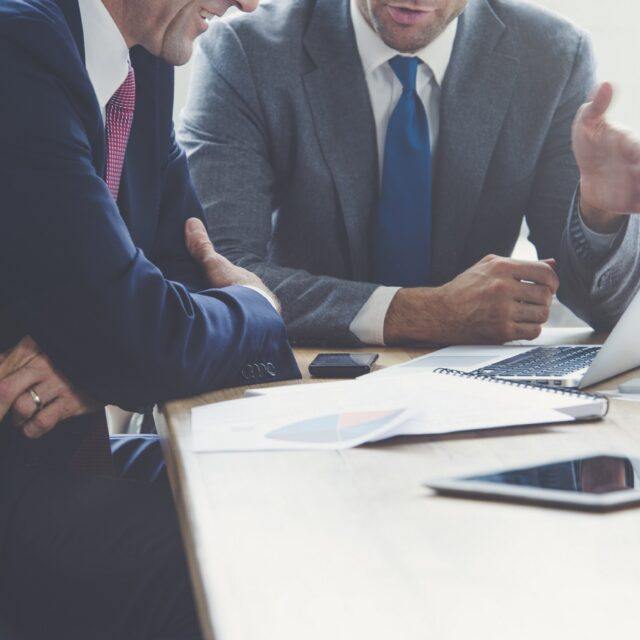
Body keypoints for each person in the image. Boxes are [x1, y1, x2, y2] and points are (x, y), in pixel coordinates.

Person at [0, 0, 300, 637]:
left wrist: (102, 358)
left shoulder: (141, 64)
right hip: (17, 473)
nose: (248, 4)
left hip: (64, 457)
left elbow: (185, 276)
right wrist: (261, 308)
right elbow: (148, 333)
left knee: (290, 484)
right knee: (225, 550)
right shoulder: (16, 46)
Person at [179, 0, 640, 347]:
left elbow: (601, 309)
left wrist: (599, 215)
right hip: (298, 381)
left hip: (475, 400)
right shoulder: (245, 53)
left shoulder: (553, 56)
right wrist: (421, 313)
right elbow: (219, 273)